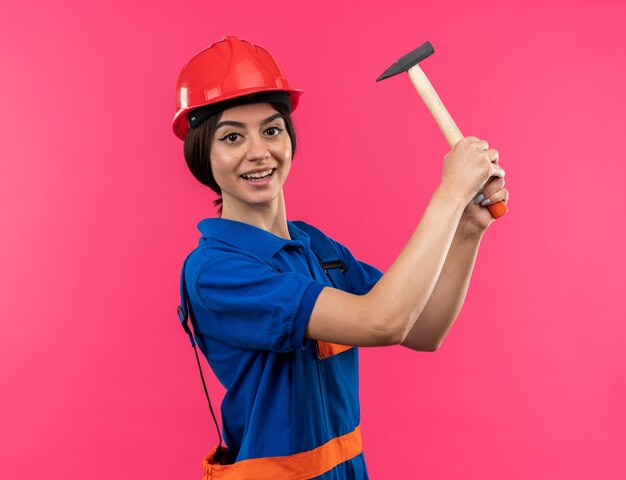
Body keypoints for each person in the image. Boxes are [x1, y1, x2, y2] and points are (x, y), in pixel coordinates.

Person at [173, 36, 508, 480]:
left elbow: (422, 328)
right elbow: (381, 321)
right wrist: (449, 193)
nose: (258, 151)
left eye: (272, 130)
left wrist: (466, 229)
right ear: (203, 156)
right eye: (232, 137)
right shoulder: (215, 272)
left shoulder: (316, 249)